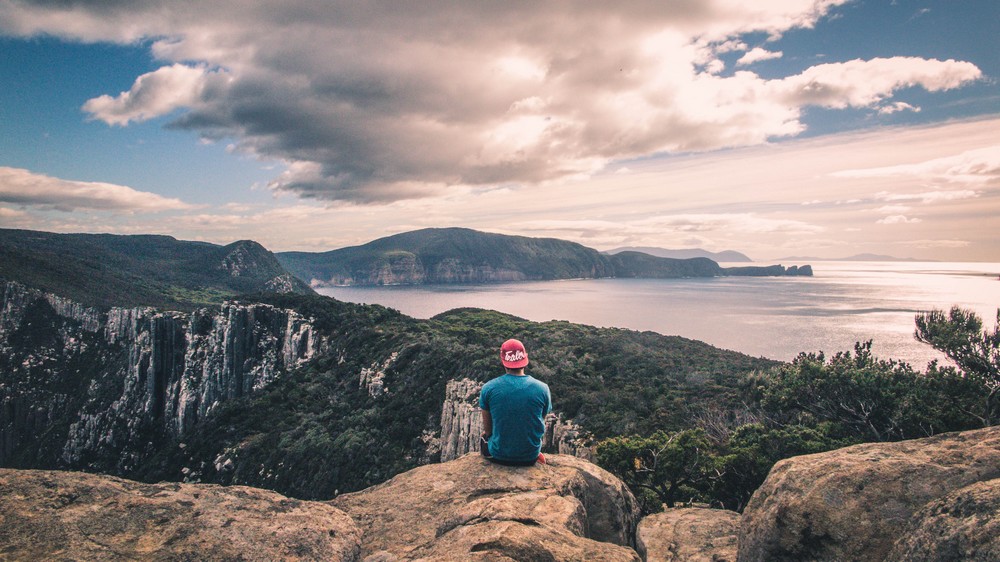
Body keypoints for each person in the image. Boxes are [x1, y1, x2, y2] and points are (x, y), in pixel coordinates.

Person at [479, 338, 552, 466]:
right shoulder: (543, 388)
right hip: (530, 456)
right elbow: (540, 420)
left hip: (498, 456)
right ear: (525, 358)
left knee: (484, 436)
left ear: (503, 360)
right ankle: (537, 455)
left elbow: (488, 431)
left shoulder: (488, 388)